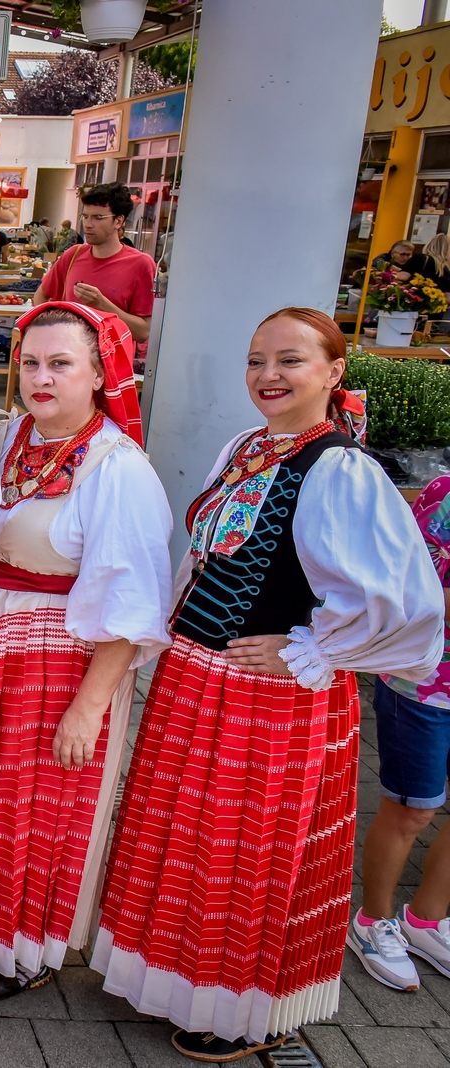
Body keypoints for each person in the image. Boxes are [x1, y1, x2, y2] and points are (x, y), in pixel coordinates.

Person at [93, 308, 443, 1062]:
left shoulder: (340, 468)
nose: (269, 376)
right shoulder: (249, 445)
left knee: (242, 853)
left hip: (269, 696)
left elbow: (403, 600)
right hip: (198, 677)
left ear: (333, 371)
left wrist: (316, 648)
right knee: (183, 839)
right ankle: (172, 981)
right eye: (257, 361)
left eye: (290, 360)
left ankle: (236, 1006)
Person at [0, 301, 172, 1003]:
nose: (40, 378)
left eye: (61, 364)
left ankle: (23, 950)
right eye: (32, 362)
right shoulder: (8, 434)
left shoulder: (119, 468)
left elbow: (133, 605)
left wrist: (90, 706)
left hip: (60, 660)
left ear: (102, 372)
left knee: (37, 808)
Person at [350, 471, 450, 994]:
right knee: (413, 810)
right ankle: (373, 920)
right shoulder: (444, 494)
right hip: (425, 682)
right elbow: (416, 592)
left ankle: (427, 920)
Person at [33, 183, 156, 363]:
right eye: (85, 216)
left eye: (98, 217)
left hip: (112, 369)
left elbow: (143, 332)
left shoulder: (141, 264)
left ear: (118, 221)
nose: (88, 224)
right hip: (67, 363)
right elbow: (41, 296)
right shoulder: (73, 255)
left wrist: (102, 304)